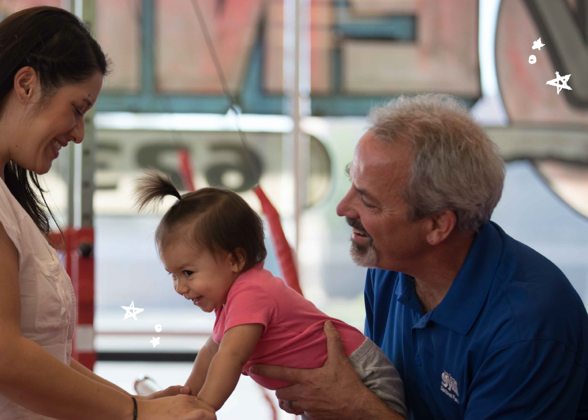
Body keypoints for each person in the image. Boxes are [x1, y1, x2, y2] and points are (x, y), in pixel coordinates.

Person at [0, 7, 216, 420]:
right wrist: (136, 412)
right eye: (77, 108)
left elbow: (36, 357)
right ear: (27, 84)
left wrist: (136, 404)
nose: (78, 133)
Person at [249, 93, 588, 419]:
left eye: (368, 201)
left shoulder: (526, 329)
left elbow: (366, 408)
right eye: (350, 182)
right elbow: (384, 397)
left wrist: (356, 409)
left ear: (438, 225)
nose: (342, 208)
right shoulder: (389, 268)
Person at [133, 172, 406, 416]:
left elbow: (230, 357)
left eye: (188, 273)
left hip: (362, 375)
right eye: (173, 275)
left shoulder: (251, 291)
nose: (180, 287)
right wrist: (187, 396)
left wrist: (203, 408)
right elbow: (210, 352)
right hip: (326, 388)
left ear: (235, 260)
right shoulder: (229, 303)